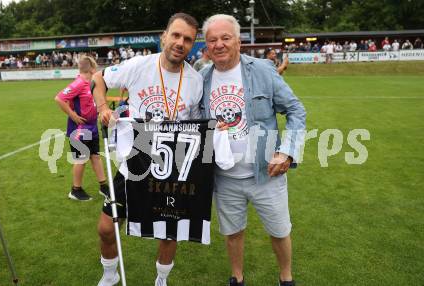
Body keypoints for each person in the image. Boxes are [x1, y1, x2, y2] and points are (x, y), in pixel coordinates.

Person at [91, 13, 202, 286]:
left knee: (170, 232)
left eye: (187, 39)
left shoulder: (196, 81)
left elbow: (198, 126)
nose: (180, 42)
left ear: (193, 45)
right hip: (135, 160)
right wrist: (103, 107)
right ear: (164, 36)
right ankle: (110, 275)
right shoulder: (140, 65)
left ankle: (161, 280)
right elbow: (98, 78)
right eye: (175, 35)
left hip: (173, 163)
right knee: (106, 228)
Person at [200, 14, 306, 286]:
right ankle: (237, 277)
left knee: (279, 231)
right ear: (206, 45)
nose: (219, 44)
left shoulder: (262, 69)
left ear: (239, 40)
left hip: (265, 174)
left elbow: (295, 109)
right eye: (213, 40)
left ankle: (286, 278)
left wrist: (287, 151)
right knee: (233, 232)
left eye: (225, 38)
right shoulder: (200, 78)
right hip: (224, 177)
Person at [55, 55, 108, 201]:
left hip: (92, 127)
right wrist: (73, 115)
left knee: (95, 156)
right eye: (95, 66)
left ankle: (104, 187)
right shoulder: (78, 83)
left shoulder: (91, 83)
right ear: (91, 68)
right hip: (79, 129)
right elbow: (59, 98)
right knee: (81, 159)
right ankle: (75, 190)